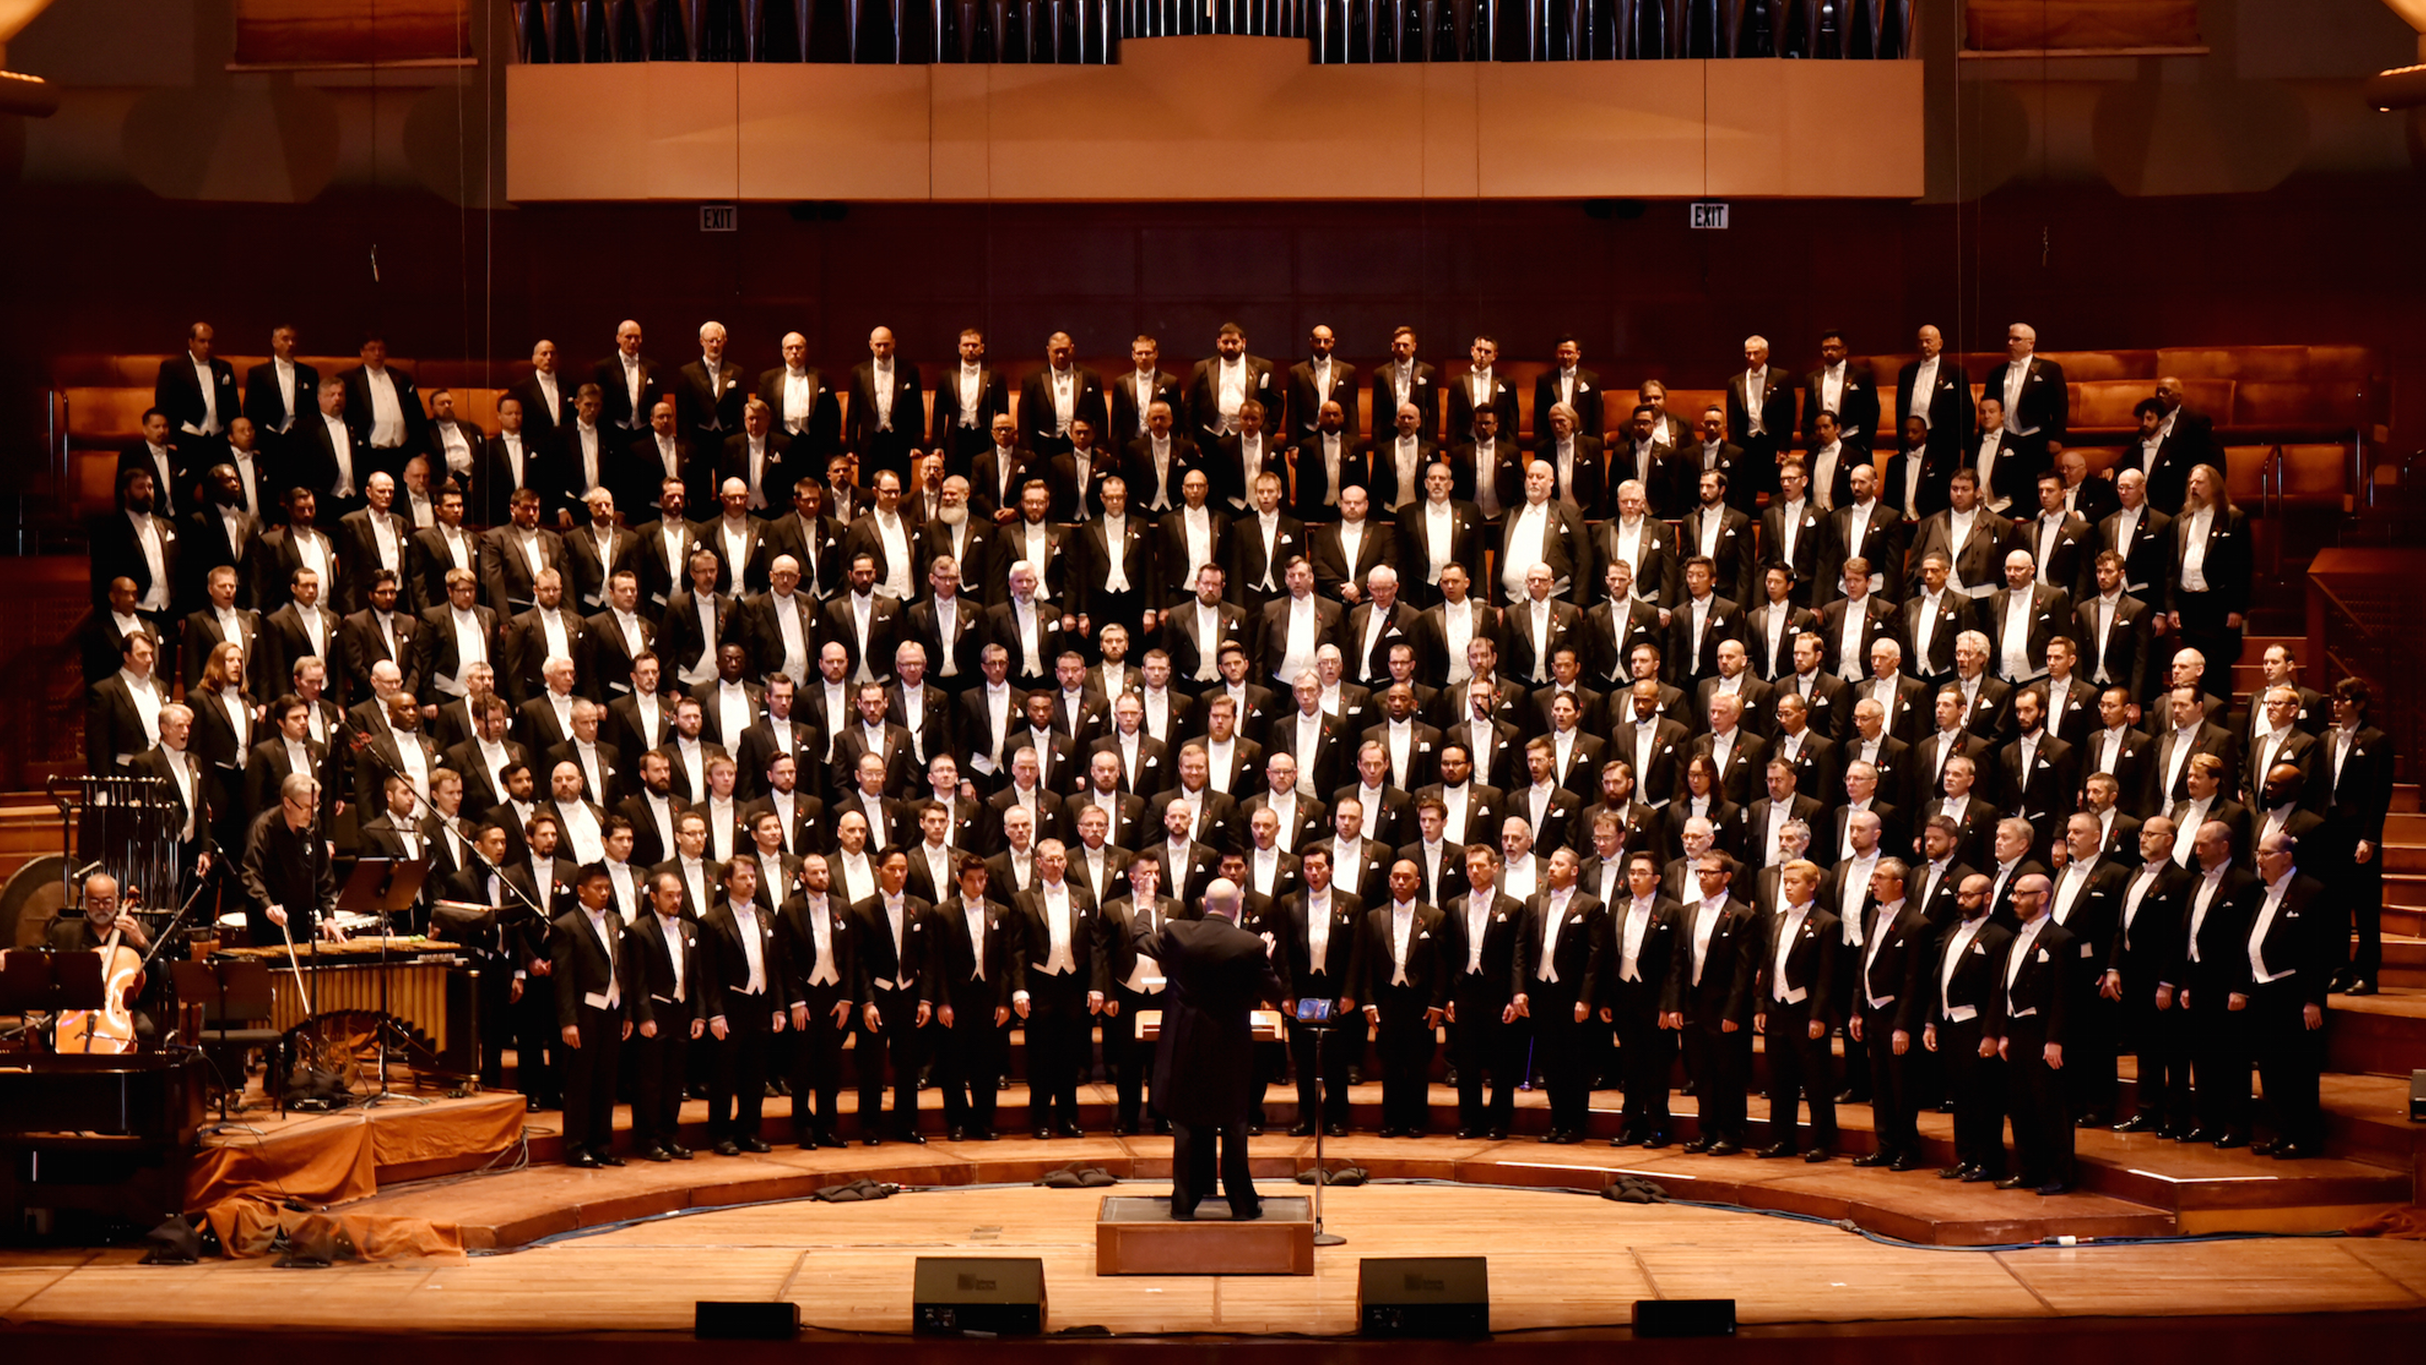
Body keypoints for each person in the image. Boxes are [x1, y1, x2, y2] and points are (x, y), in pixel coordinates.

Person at [1140, 877, 1286, 1220]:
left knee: (1187, 1126)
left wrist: (1146, 905)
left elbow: (1140, 940)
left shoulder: (1179, 934)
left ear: (1204, 904)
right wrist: (1267, 956)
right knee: (1234, 1126)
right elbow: (1275, 993)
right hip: (1230, 1049)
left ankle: (1184, 1202)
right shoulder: (1250, 945)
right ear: (1237, 908)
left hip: (1185, 1045)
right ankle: (1242, 1203)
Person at [699, 858, 789, 1155]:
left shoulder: (766, 917)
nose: (751, 882)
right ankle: (721, 1133)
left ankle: (749, 1130)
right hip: (728, 1007)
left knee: (755, 1074)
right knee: (723, 1075)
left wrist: (777, 1007)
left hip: (759, 1004)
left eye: (753, 877)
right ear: (728, 882)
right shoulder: (712, 920)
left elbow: (774, 967)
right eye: (744, 878)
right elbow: (707, 973)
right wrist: (714, 1012)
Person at [552, 862, 636, 1168]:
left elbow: (622, 969)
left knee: (606, 1081)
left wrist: (627, 1013)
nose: (604, 893)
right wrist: (568, 1021)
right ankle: (576, 1146)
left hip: (611, 1010)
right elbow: (563, 979)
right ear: (581, 891)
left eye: (607, 888)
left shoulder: (615, 921)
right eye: (598, 889)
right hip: (584, 1011)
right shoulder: (566, 925)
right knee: (580, 1082)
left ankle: (601, 1144)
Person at [627, 870, 703, 1162]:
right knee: (649, 1080)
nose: (676, 901)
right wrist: (644, 1016)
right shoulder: (639, 930)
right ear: (654, 897)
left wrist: (698, 1014)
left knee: (674, 1079)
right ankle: (647, 1138)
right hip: (655, 1013)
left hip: (681, 1012)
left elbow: (696, 977)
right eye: (670, 896)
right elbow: (638, 979)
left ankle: (670, 1135)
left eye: (679, 895)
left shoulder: (689, 929)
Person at [240, 773, 337, 946]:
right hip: (269, 921)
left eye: (315, 805)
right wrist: (267, 905)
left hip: (302, 919)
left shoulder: (313, 824)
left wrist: (328, 915)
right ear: (287, 803)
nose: (312, 813)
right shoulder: (263, 827)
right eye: (306, 806)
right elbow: (250, 873)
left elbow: (324, 874)